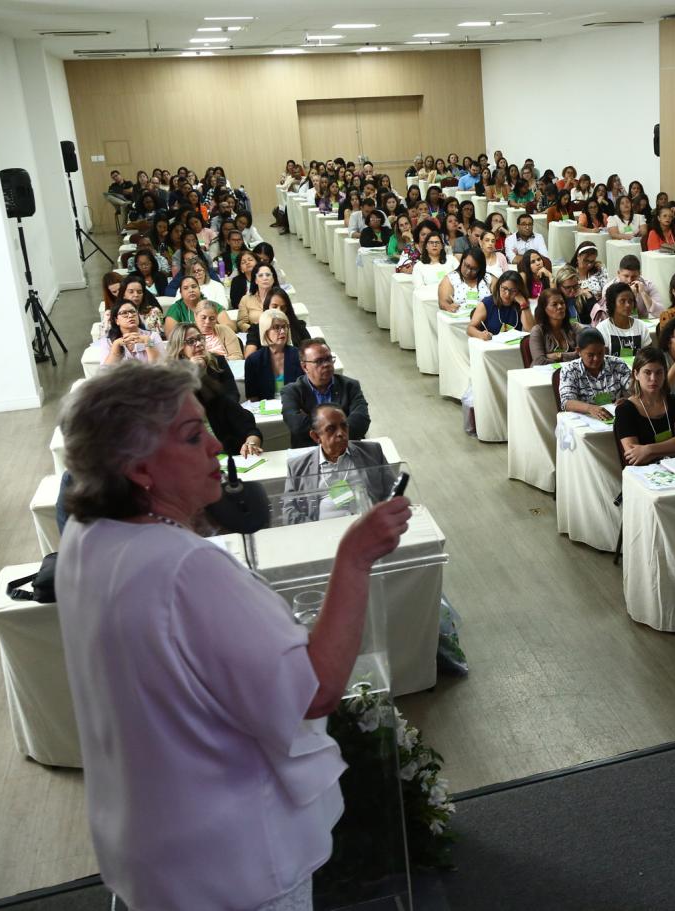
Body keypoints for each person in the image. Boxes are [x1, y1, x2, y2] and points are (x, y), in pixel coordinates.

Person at [54, 362, 410, 911]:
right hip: (234, 861)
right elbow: (314, 692)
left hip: (151, 839)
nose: (215, 444)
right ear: (138, 467)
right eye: (191, 436)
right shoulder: (186, 569)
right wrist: (354, 558)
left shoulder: (85, 536)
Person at [285, 404, 394, 523]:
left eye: (344, 426)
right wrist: (315, 530)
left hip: (371, 525)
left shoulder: (372, 452)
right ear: (316, 436)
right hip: (324, 531)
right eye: (331, 429)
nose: (341, 433)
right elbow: (289, 512)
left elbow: (393, 492)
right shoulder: (297, 467)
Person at [165, 324, 262, 456]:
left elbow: (232, 395)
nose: (199, 344)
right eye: (191, 341)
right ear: (180, 348)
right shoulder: (172, 380)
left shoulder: (217, 366)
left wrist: (227, 411)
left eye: (200, 338)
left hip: (223, 421)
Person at [281, 338, 371, 448]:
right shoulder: (291, 392)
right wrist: (339, 429)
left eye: (329, 359)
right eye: (319, 361)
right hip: (309, 451)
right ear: (305, 367)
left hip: (346, 448)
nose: (326, 364)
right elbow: (297, 426)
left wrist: (316, 426)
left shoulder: (350, 386)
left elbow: (361, 421)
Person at [613, 347, 675, 465]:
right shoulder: (625, 410)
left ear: (665, 374)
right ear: (636, 374)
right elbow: (634, 457)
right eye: (647, 372)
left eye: (659, 372)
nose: (653, 378)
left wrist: (648, 450)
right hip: (646, 471)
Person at [558, 328, 633, 420]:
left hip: (615, 417)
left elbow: (637, 389)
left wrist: (630, 401)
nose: (596, 359)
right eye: (590, 355)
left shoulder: (617, 364)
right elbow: (567, 402)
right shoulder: (570, 370)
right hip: (585, 419)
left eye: (600, 353)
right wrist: (590, 408)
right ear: (578, 351)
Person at [243, 310, 304, 402]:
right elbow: (252, 396)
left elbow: (306, 389)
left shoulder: (299, 355)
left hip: (295, 404)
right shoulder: (253, 360)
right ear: (265, 331)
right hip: (264, 408)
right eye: (276, 327)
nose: (282, 331)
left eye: (284, 327)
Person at [591, 254, 663, 321]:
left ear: (639, 274)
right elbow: (609, 316)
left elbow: (660, 314)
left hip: (642, 325)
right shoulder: (609, 288)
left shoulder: (648, 286)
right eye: (626, 276)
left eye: (634, 276)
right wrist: (630, 296)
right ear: (618, 273)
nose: (629, 280)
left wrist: (643, 293)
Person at [467, 270, 532, 340]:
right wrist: (481, 335)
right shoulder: (487, 303)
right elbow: (470, 329)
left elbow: (530, 329)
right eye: (504, 288)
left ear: (519, 291)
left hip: (514, 346)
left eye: (513, 290)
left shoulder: (521, 304)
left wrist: (523, 304)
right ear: (499, 286)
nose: (507, 294)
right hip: (492, 345)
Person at [96, 299, 163, 366]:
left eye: (133, 311)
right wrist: (116, 345)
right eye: (124, 313)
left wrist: (148, 342)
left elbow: (160, 366)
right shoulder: (108, 342)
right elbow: (106, 369)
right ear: (116, 320)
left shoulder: (152, 336)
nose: (130, 315)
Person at [164, 275, 233, 338]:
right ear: (181, 293)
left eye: (194, 287)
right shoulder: (176, 308)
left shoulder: (212, 305)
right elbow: (170, 335)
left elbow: (230, 327)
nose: (191, 290)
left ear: (199, 289)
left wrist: (211, 329)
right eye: (185, 288)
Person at [528, 289, 583, 366]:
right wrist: (571, 356)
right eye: (554, 304)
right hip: (546, 372)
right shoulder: (537, 331)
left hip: (573, 371)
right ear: (544, 308)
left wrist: (558, 356)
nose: (560, 307)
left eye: (562, 303)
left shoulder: (575, 327)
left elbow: (583, 354)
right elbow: (539, 362)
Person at [594, 282, 649, 356]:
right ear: (612, 303)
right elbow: (603, 359)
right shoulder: (602, 328)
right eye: (622, 301)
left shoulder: (641, 326)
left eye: (630, 301)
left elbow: (647, 356)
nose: (628, 305)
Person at [438, 248, 491, 313]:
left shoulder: (489, 279)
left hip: (484, 317)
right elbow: (443, 302)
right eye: (466, 266)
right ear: (462, 261)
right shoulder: (450, 279)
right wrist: (448, 307)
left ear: (480, 268)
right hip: (459, 317)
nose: (468, 272)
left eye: (474, 269)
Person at [571, 240, 608, 318]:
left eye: (592, 261)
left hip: (600, 309)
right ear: (578, 257)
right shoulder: (570, 272)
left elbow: (606, 289)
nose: (589, 265)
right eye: (586, 261)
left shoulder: (599, 269)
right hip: (580, 311)